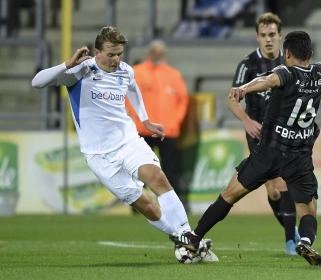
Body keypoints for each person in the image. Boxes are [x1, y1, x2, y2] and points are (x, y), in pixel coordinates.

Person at [31, 26, 217, 262]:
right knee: (146, 204)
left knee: (158, 178)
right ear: (97, 53)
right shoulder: (80, 71)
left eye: (119, 54)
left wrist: (145, 120)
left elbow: (133, 89)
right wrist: (66, 65)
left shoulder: (126, 71)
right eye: (110, 54)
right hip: (99, 155)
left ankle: (189, 238)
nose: (116, 59)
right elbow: (36, 83)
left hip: (128, 142)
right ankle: (180, 240)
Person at [170, 31, 321, 266]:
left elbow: (267, 80)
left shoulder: (286, 72)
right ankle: (304, 241)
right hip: (299, 157)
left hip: (268, 152)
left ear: (287, 53)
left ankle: (194, 236)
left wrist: (244, 89)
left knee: (228, 196)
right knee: (308, 210)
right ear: (311, 54)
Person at [228, 12, 299, 255]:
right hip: (258, 133)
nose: (268, 39)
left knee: (284, 183)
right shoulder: (248, 65)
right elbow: (232, 99)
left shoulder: (290, 63)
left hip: (285, 132)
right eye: (263, 35)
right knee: (273, 189)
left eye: (272, 35)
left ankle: (291, 240)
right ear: (256, 37)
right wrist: (246, 120)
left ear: (280, 35)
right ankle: (293, 234)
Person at [126, 40, 189, 202]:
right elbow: (127, 97)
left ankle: (173, 204)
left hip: (168, 130)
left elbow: (183, 100)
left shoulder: (173, 74)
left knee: (170, 170)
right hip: (142, 130)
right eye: (155, 50)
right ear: (150, 52)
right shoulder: (137, 72)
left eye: (161, 51)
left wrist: (176, 121)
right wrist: (133, 119)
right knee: (141, 170)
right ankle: (141, 204)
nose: (158, 53)